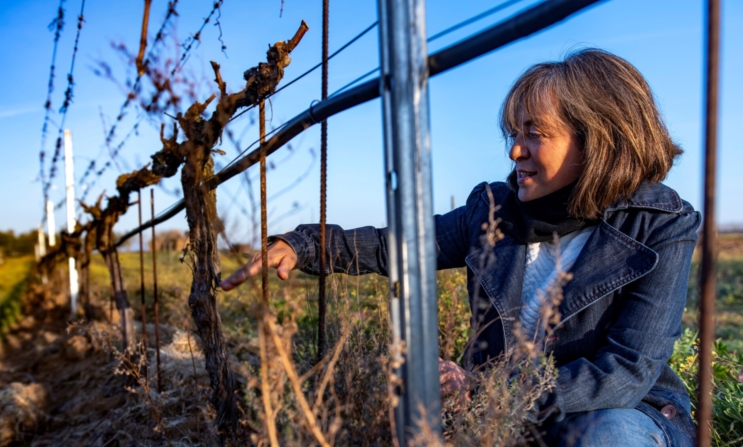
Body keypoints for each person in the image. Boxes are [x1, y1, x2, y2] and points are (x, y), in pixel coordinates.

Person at [221, 49, 699, 447]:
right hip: (510, 416)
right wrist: (302, 245)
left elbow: (625, 371)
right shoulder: (495, 211)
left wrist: (487, 389)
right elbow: (398, 248)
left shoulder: (660, 225)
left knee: (605, 435)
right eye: (514, 133)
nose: (516, 150)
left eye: (535, 133)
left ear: (597, 140)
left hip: (627, 415)